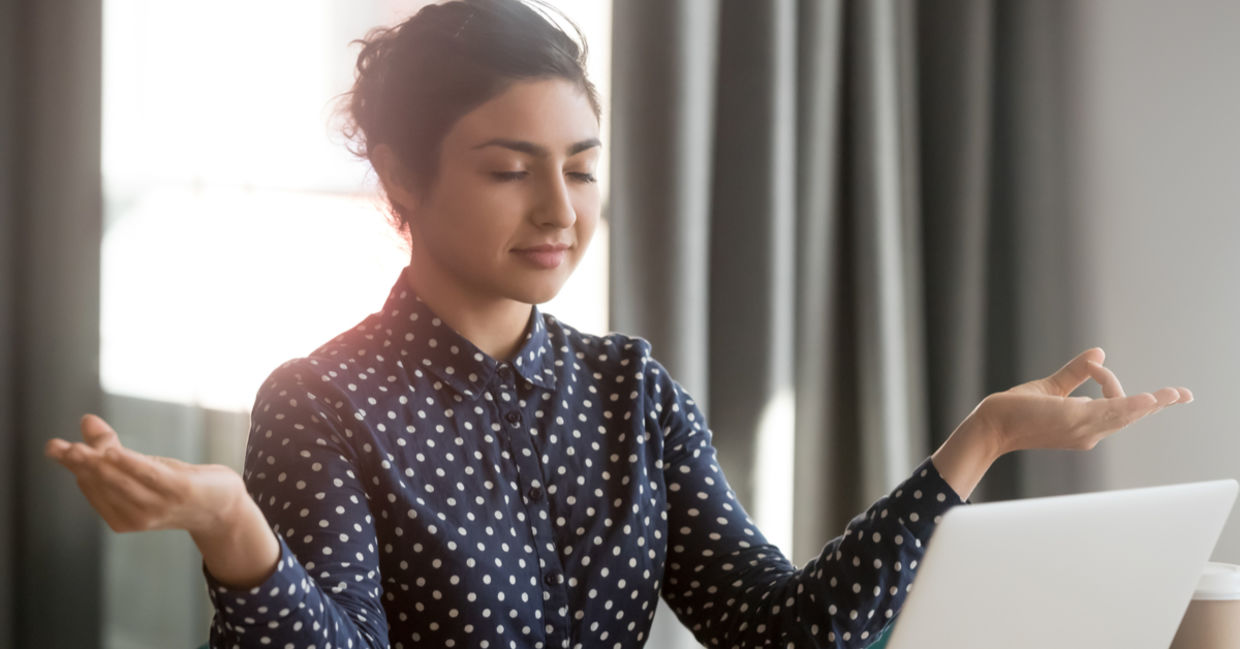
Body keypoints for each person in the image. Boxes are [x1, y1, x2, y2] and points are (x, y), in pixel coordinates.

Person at [45, 1, 1193, 647]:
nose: (560, 210)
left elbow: (780, 635)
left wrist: (974, 444)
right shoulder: (324, 402)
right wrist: (237, 533)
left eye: (583, 169)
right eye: (510, 170)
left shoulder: (627, 389)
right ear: (399, 176)